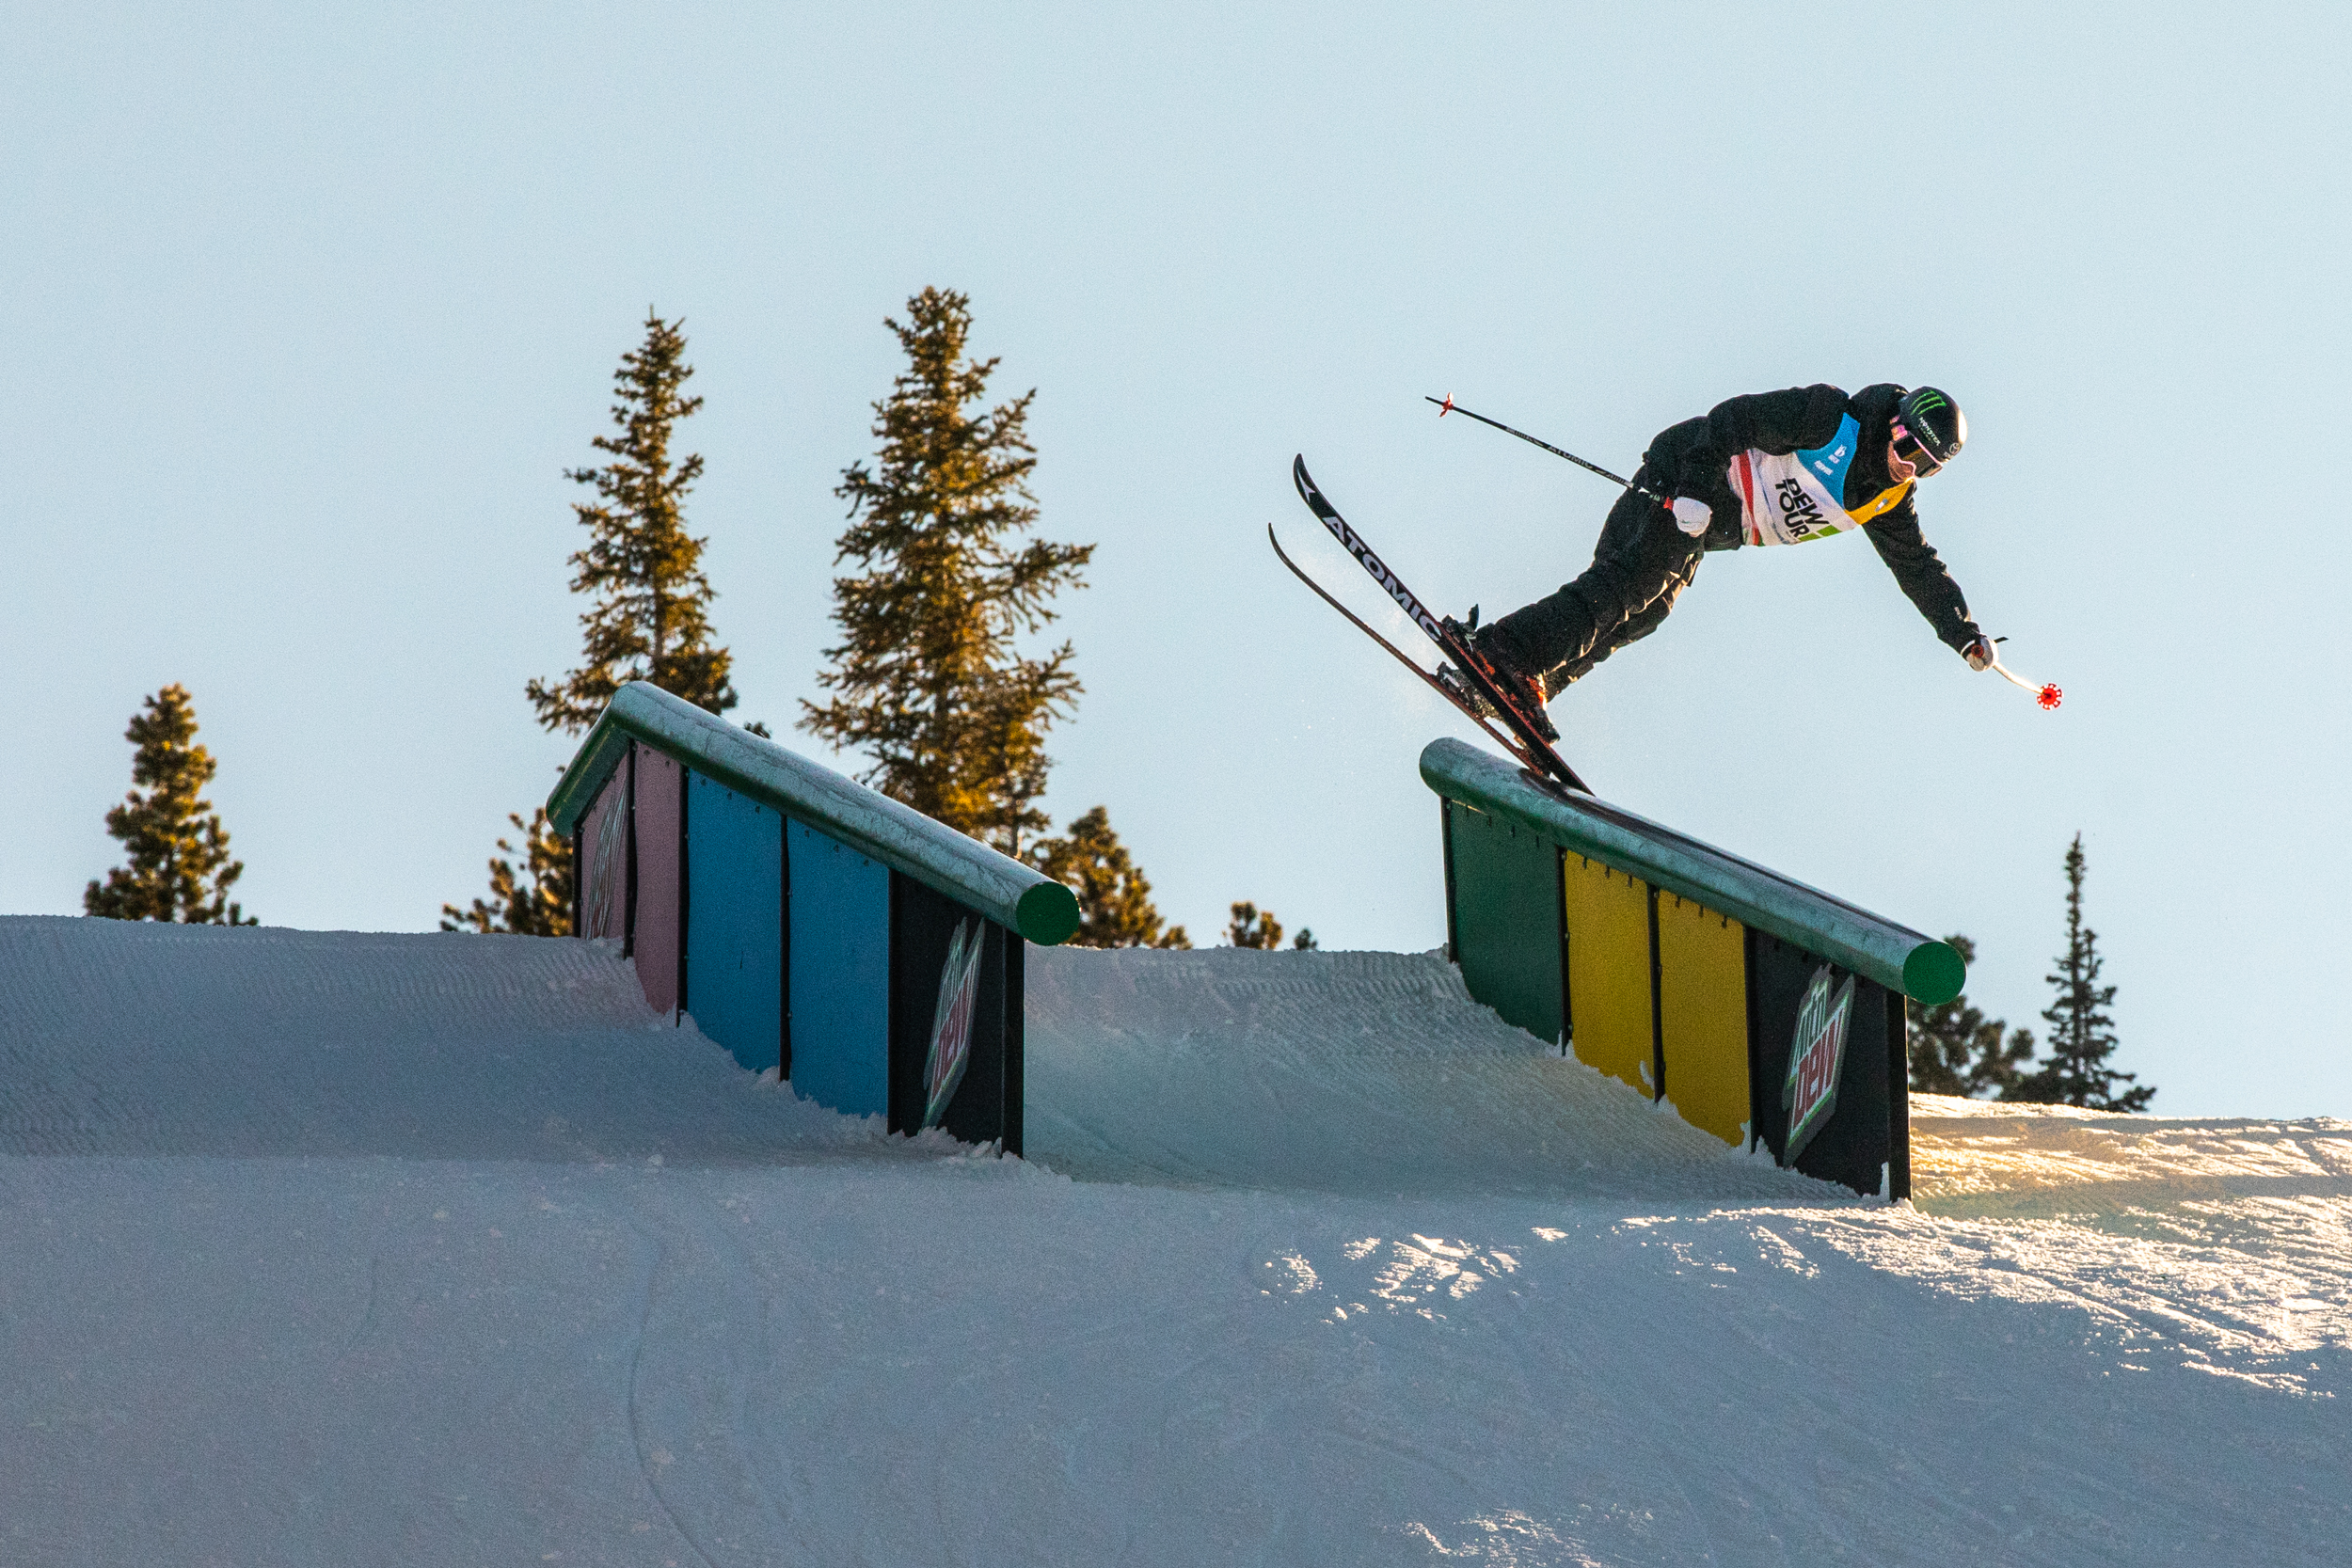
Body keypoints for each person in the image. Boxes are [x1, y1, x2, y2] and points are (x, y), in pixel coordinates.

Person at [1460, 384, 1993, 738]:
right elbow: (1733, 419)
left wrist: (1962, 633)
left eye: (1925, 466)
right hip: (1687, 476)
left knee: (1649, 612)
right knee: (1637, 584)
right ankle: (1507, 650)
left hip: (1711, 523)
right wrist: (1694, 488)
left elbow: (1918, 567)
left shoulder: (1889, 500)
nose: (1906, 465)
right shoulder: (1831, 420)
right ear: (1894, 422)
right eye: (1906, 445)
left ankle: (1535, 682)